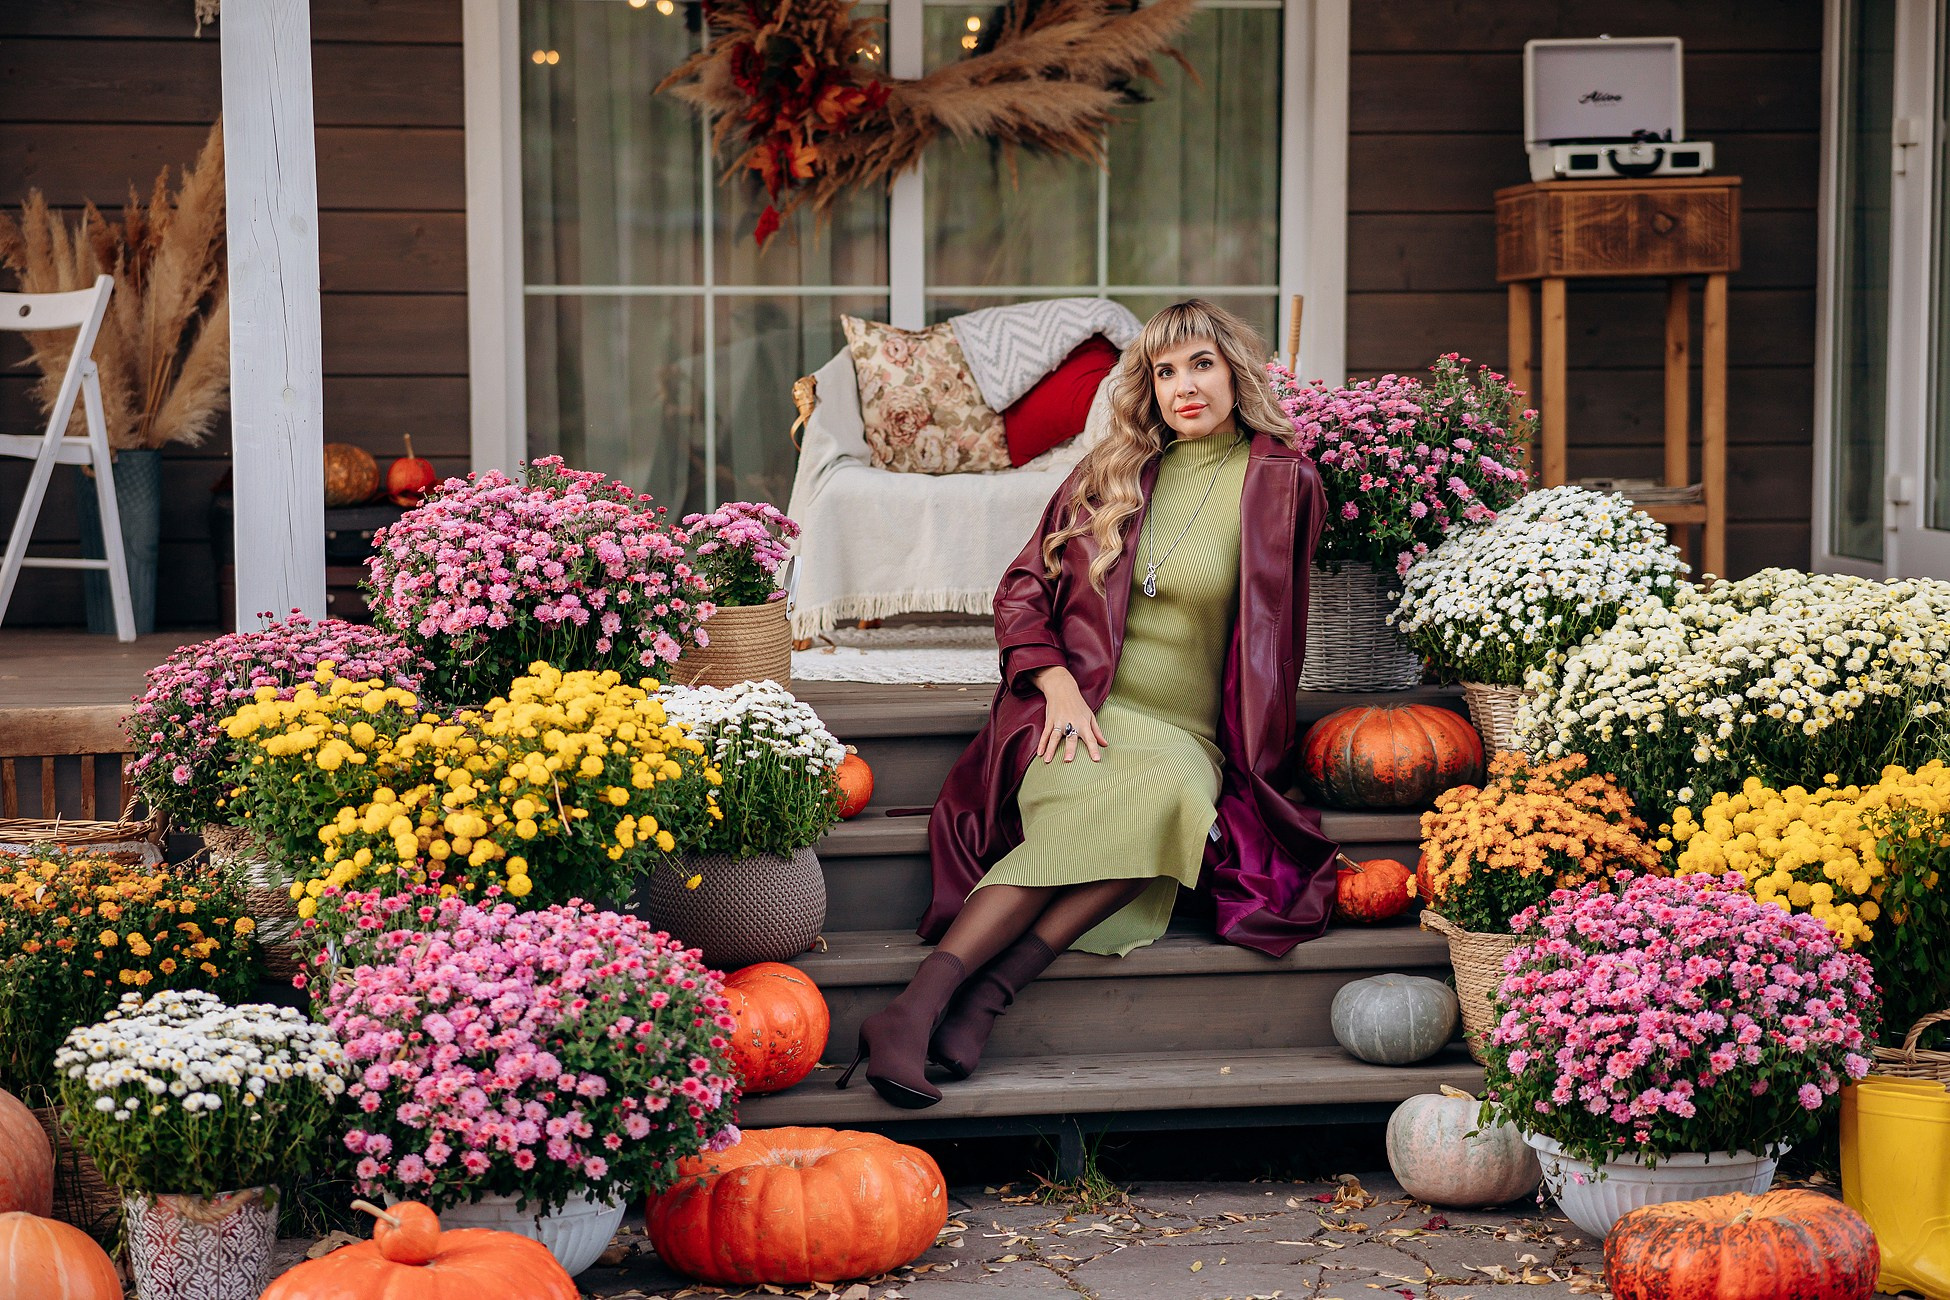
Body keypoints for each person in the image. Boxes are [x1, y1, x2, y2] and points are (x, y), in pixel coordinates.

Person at [836, 299, 1340, 1109]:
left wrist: (1263, 760)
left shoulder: (1283, 482)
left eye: (1201, 364)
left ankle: (979, 996)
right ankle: (921, 1009)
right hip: (1083, 702)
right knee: (1093, 801)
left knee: (1171, 797)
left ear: (1234, 372)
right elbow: (1022, 588)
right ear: (1147, 386)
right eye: (1165, 370)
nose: (1185, 386)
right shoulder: (1110, 471)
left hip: (1188, 731)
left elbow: (1280, 632)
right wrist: (1057, 683)